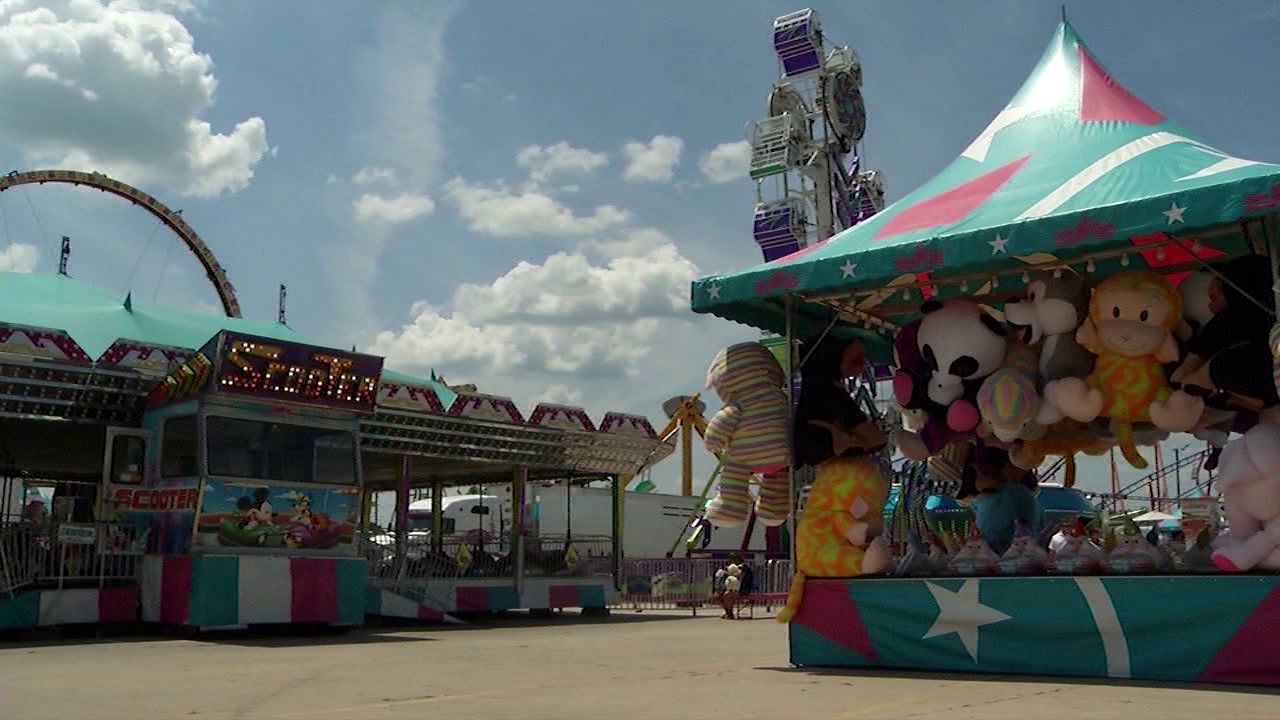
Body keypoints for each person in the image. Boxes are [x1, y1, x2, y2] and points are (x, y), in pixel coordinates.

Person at [793, 335, 886, 467]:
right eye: (857, 361)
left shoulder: (813, 385)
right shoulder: (830, 391)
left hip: (820, 454)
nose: (863, 366)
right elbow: (875, 439)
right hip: (827, 449)